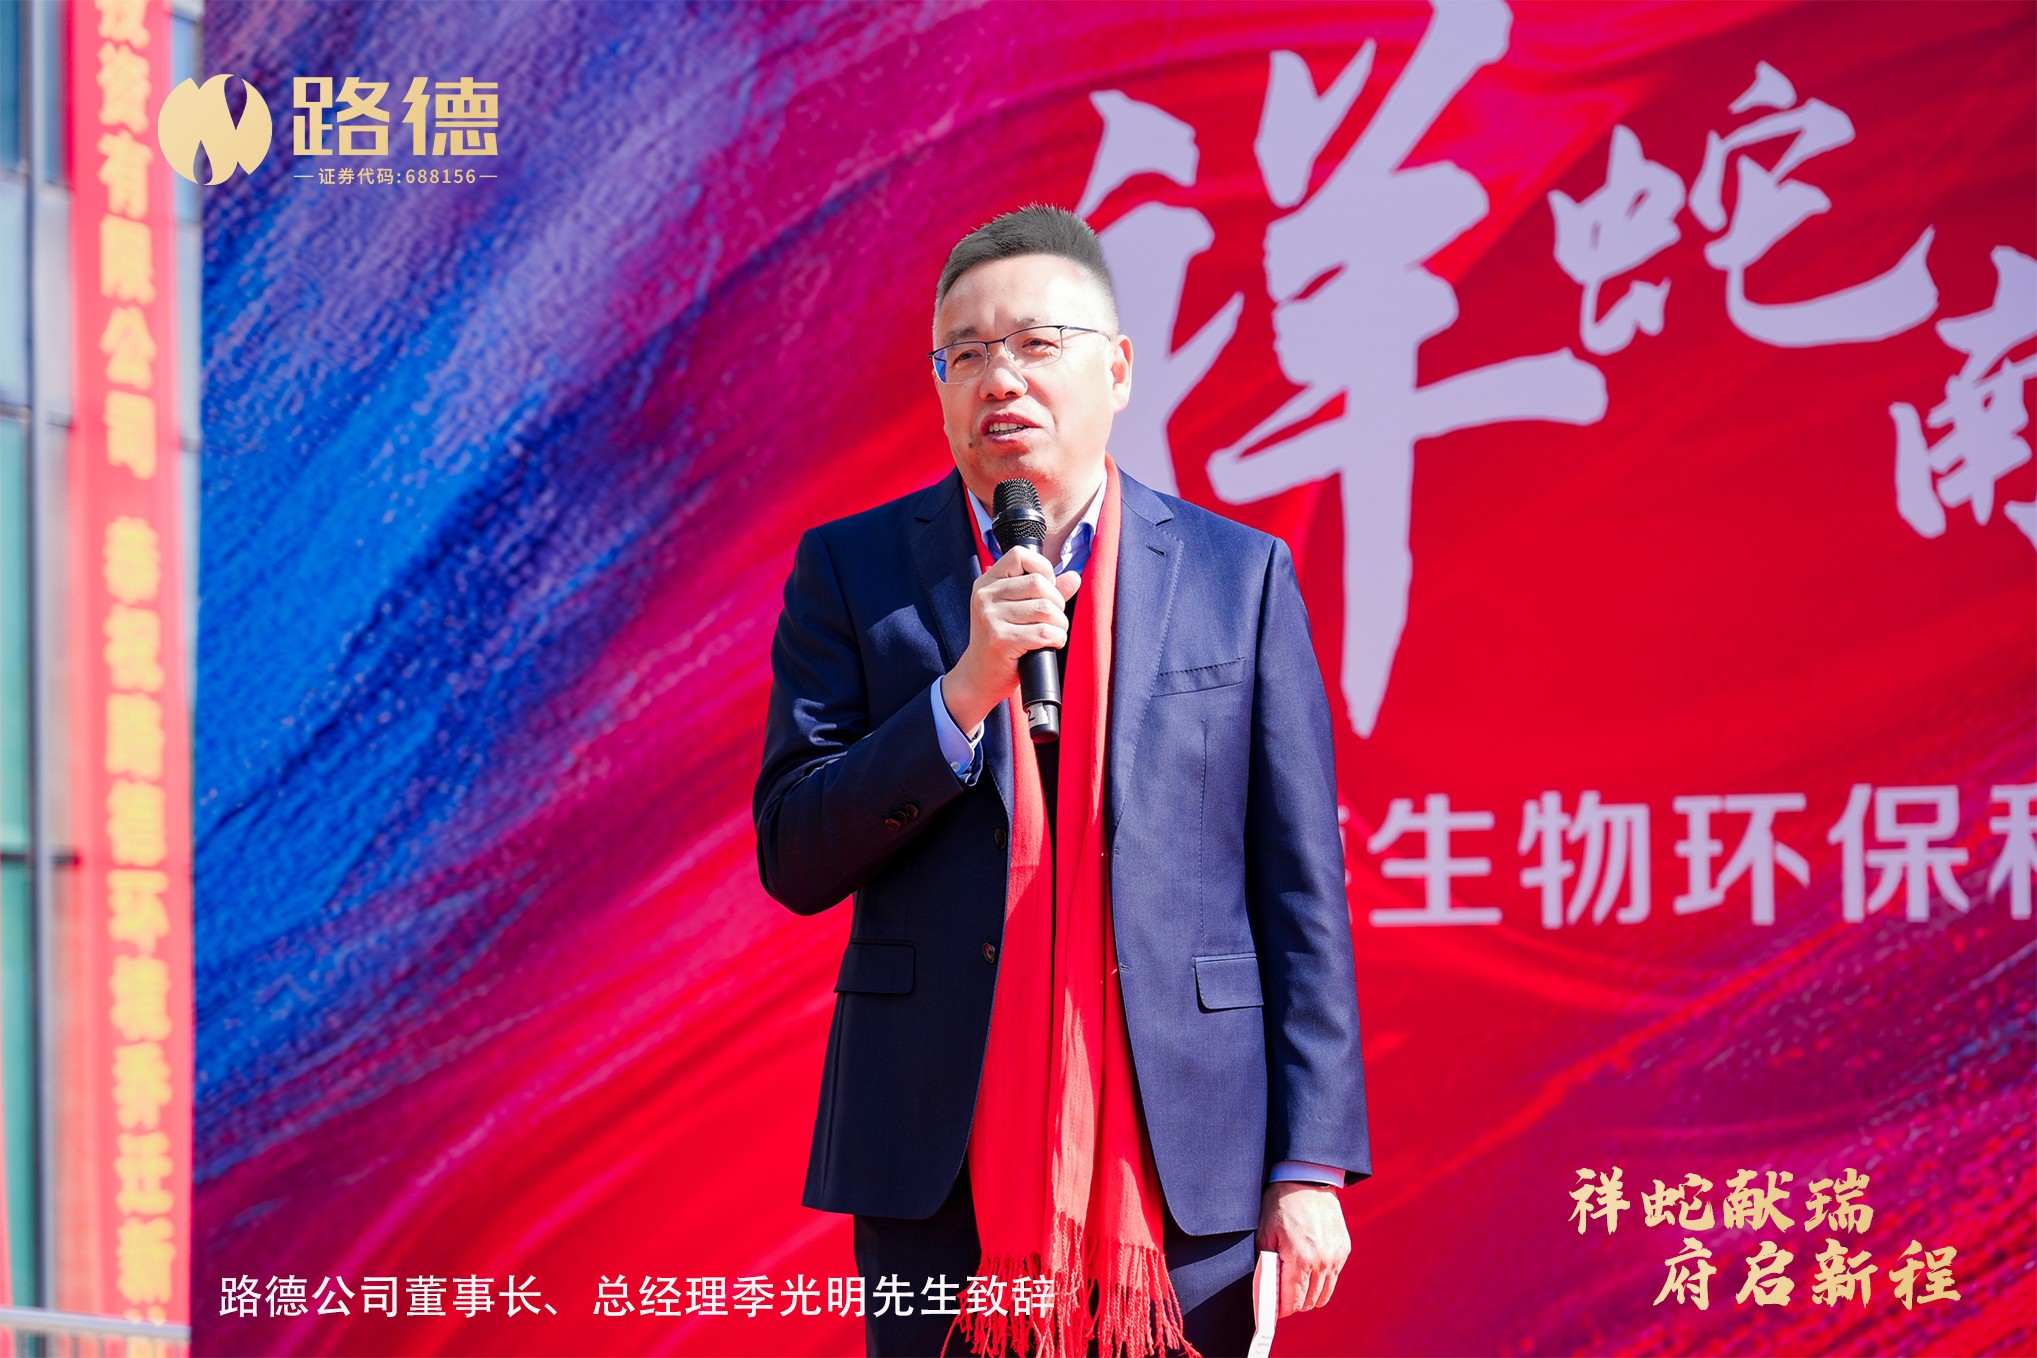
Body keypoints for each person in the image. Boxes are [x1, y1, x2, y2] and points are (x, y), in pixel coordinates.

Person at [754, 205, 1370, 1358]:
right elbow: (794, 847)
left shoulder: (1237, 576)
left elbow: (1302, 891)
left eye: (1037, 344)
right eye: (966, 353)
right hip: (936, 1153)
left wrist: (1309, 1162)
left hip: (1189, 1154)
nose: (1001, 379)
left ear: (1118, 369)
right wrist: (960, 695)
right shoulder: (854, 570)